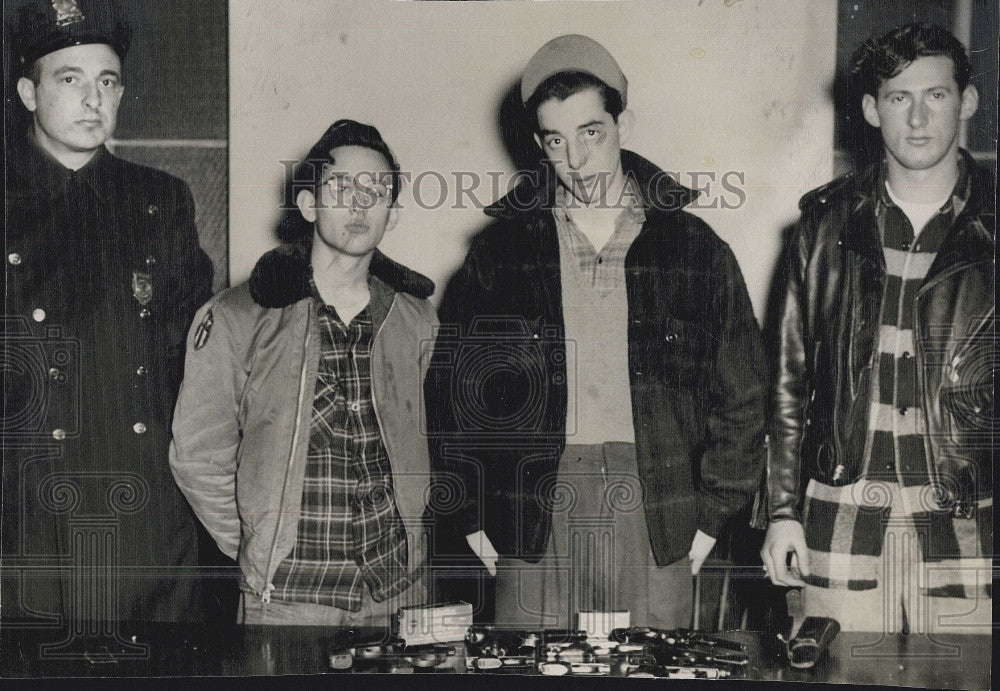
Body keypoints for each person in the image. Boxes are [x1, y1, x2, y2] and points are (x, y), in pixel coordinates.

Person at [425, 34, 766, 629]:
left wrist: (713, 518)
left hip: (659, 508)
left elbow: (743, 395)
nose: (576, 160)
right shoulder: (499, 254)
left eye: (591, 133)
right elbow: (453, 396)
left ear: (621, 123)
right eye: (556, 141)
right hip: (534, 513)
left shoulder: (694, 250)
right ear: (538, 143)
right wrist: (474, 518)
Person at [761, 22, 993, 634]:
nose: (917, 118)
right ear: (871, 110)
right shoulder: (820, 229)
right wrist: (782, 511)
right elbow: (786, 382)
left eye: (936, 95)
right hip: (838, 519)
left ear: (966, 102)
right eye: (898, 97)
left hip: (968, 521)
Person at [170, 120, 438, 626]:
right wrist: (258, 543)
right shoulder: (237, 315)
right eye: (341, 188)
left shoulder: (416, 318)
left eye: (375, 191)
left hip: (398, 591)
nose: (359, 205)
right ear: (309, 204)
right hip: (289, 598)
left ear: (393, 214)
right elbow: (197, 456)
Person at [2, 0, 213, 624]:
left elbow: (194, 353)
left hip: (142, 511)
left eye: (108, 82)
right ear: (28, 92)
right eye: (70, 79)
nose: (93, 100)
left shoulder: (158, 200)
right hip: (26, 515)